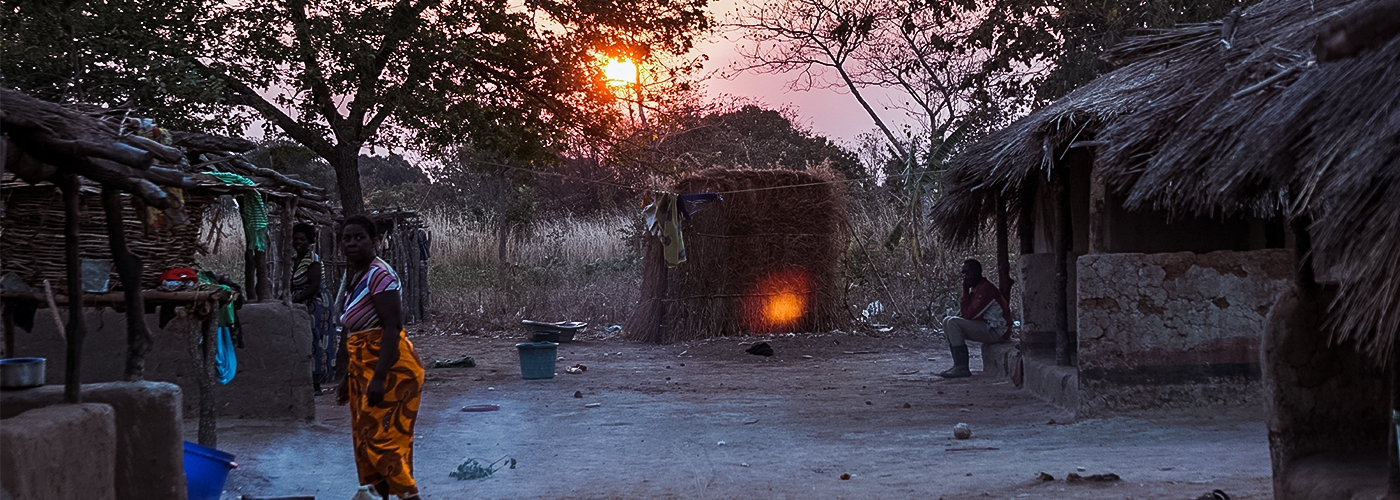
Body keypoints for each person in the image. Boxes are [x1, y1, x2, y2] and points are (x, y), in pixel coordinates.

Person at [334, 215, 425, 499]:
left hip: (392, 371)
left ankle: (410, 495)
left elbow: (392, 328)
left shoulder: (380, 275)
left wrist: (380, 378)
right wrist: (348, 378)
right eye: (347, 238)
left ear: (374, 242)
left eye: (359, 237)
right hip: (365, 370)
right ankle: (379, 495)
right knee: (365, 441)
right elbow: (355, 332)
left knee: (381, 442)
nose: (352, 243)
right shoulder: (358, 276)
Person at [938, 259, 1014, 379]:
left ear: (975, 272)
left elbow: (968, 314)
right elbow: (966, 313)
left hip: (999, 331)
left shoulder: (986, 289)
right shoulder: (977, 288)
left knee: (952, 322)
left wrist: (964, 290)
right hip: (989, 327)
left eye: (966, 272)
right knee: (947, 320)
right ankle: (958, 364)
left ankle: (962, 367)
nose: (964, 276)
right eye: (963, 273)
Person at [291, 223, 334, 395]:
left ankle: (316, 384)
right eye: (296, 239)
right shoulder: (295, 260)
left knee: (316, 340)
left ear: (309, 241)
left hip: (316, 304)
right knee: (305, 340)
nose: (298, 242)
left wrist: (295, 300)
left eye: (302, 239)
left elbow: (314, 286)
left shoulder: (313, 259)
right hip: (303, 303)